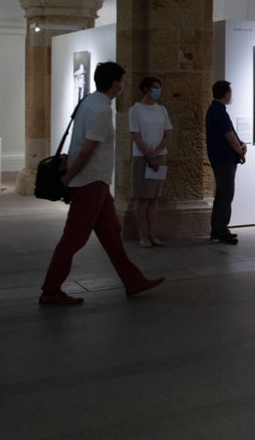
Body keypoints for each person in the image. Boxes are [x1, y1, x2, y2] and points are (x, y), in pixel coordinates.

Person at [39, 61, 164, 305]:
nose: (123, 86)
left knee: (111, 234)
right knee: (73, 238)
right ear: (115, 83)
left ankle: (133, 281)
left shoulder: (89, 102)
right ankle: (51, 289)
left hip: (97, 182)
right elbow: (87, 151)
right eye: (122, 81)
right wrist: (68, 178)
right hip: (90, 182)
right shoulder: (102, 110)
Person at [129, 76, 173, 247]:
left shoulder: (162, 110)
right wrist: (148, 153)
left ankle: (153, 234)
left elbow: (168, 133)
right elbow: (135, 135)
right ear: (146, 89)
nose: (158, 91)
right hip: (142, 157)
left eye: (159, 88)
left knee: (154, 198)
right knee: (142, 198)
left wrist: (157, 152)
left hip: (160, 156)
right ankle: (143, 235)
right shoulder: (135, 110)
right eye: (155, 88)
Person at [206, 80, 247, 244]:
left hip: (220, 158)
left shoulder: (215, 110)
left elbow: (230, 135)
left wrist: (240, 143)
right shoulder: (219, 112)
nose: (231, 95)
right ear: (225, 94)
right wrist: (240, 151)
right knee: (226, 193)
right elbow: (229, 136)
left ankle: (216, 228)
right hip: (224, 159)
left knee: (222, 193)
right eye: (230, 92)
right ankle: (222, 228)